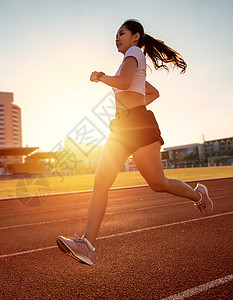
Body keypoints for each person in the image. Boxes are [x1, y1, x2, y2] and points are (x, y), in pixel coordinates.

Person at [57, 19, 213, 266]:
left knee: (158, 183)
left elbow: (124, 83)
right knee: (101, 182)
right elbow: (151, 92)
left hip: (138, 127)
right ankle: (87, 245)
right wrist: (132, 106)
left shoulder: (133, 54)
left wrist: (100, 76)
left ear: (136, 37)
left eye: (121, 33)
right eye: (115, 35)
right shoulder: (128, 62)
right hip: (122, 126)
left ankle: (198, 196)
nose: (116, 38)